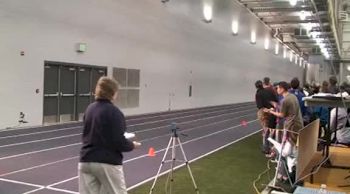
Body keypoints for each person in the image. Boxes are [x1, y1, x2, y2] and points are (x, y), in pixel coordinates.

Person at [79, 76, 141, 194]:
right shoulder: (115, 112)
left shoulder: (89, 109)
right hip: (107, 162)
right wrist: (132, 145)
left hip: (85, 160)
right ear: (113, 93)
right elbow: (119, 141)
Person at [255, 80, 278, 156]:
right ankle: (272, 147)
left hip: (264, 112)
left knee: (265, 130)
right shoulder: (270, 91)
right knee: (272, 129)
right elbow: (276, 100)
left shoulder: (258, 94)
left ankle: (266, 148)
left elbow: (260, 106)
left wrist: (266, 110)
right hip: (272, 112)